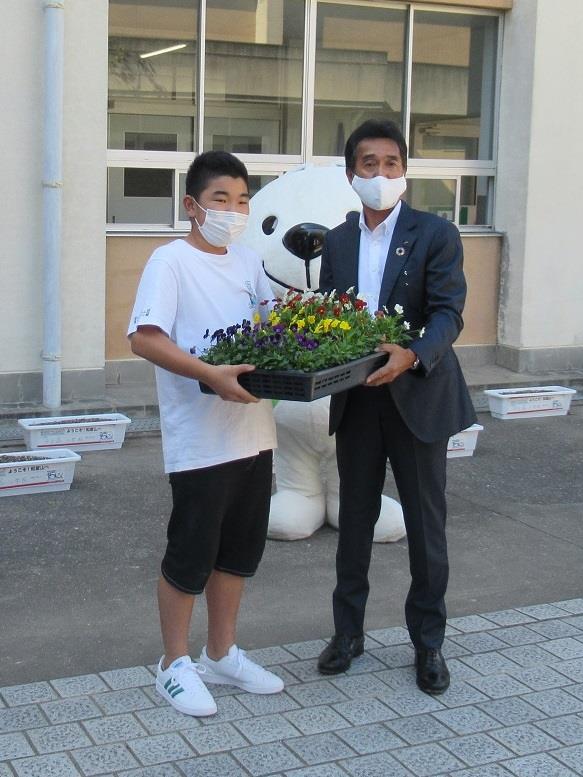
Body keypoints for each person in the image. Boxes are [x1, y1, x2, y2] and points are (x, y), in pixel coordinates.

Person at [317, 120, 477, 694]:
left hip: (418, 397)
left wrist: (412, 355)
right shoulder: (338, 240)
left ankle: (428, 644)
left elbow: (448, 312)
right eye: (368, 164)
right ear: (350, 174)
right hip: (358, 400)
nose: (379, 174)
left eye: (390, 163)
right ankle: (348, 634)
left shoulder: (436, 233)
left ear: (403, 172)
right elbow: (332, 313)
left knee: (425, 527)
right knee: (354, 521)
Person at [128, 150, 284, 717]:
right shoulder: (169, 262)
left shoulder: (247, 262)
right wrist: (208, 373)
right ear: (192, 205)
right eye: (221, 200)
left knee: (239, 552)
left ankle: (221, 654)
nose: (233, 210)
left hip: (253, 431)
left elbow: (273, 330)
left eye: (243, 200)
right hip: (200, 439)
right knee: (191, 552)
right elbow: (145, 337)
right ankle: (172, 663)